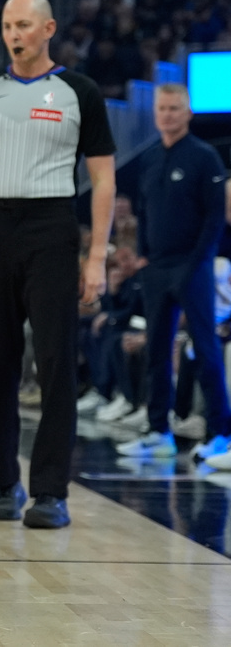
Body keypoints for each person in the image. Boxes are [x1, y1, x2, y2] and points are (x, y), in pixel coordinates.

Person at [0, 0, 116, 529]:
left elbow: (104, 179)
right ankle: (5, 484)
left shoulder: (79, 91)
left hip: (52, 226)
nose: (14, 34)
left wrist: (98, 256)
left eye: (24, 25)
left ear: (48, 29)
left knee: (56, 361)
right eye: (8, 25)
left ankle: (51, 493)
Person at [116, 84, 231, 467]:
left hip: (192, 265)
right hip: (157, 267)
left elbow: (215, 218)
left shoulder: (204, 157)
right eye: (162, 108)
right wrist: (146, 257)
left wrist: (197, 262)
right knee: (156, 352)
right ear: (156, 113)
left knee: (205, 349)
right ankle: (157, 432)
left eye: (174, 108)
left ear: (188, 113)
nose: (167, 114)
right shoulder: (149, 159)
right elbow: (146, 212)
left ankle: (221, 435)